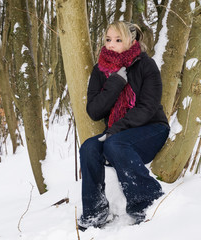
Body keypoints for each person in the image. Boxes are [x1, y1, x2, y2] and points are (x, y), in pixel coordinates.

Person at [78, 21, 170, 231]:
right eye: (108, 40)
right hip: (118, 133)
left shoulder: (146, 65)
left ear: (131, 41)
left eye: (118, 40)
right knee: (89, 147)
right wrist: (115, 83)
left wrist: (115, 129)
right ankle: (95, 213)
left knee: (115, 144)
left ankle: (147, 200)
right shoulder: (100, 70)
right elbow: (94, 111)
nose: (111, 45)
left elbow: (148, 107)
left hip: (152, 128)